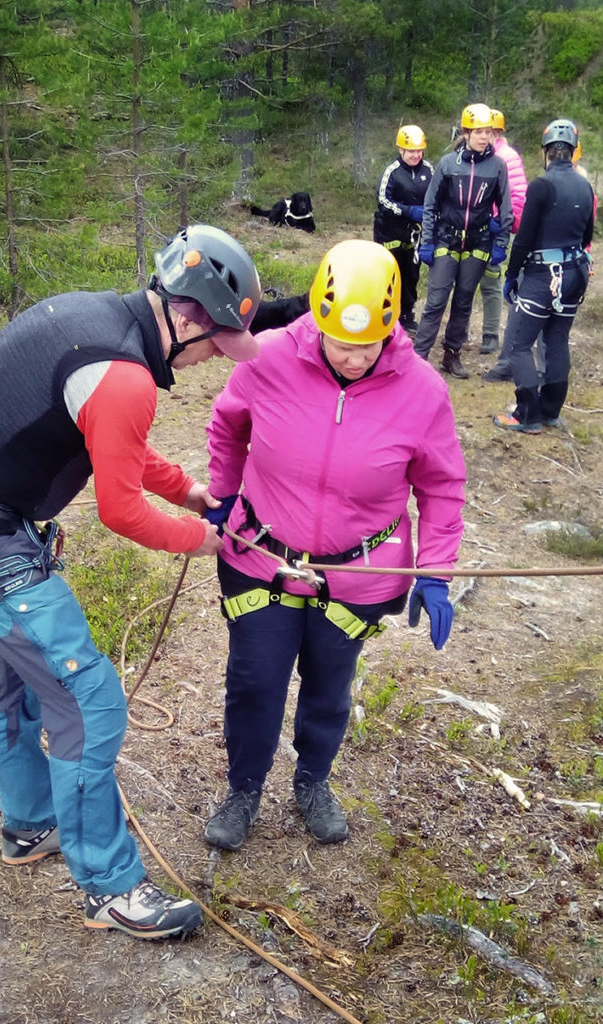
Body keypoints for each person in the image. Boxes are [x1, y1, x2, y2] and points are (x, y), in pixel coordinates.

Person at [0, 225, 264, 941]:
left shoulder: (97, 319)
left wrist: (191, 492)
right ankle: (110, 888)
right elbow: (118, 510)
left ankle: (28, 824)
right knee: (88, 697)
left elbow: (118, 448)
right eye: (213, 345)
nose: (210, 362)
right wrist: (199, 539)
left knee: (12, 682)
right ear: (187, 316)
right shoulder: (125, 376)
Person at [202, 239, 466, 852]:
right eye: (340, 342)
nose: (351, 357)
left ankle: (313, 782)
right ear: (317, 321)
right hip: (261, 557)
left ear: (390, 327)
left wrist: (435, 572)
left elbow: (442, 487)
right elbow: (227, 423)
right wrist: (221, 493)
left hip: (358, 573)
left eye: (366, 344)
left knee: (328, 685)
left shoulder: (423, 391)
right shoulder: (267, 357)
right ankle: (244, 789)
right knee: (254, 680)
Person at [494, 119, 595, 434]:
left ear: (546, 152)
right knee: (557, 340)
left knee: (521, 344)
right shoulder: (585, 186)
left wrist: (511, 277)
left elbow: (523, 239)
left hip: (543, 275)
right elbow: (588, 234)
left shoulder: (541, 186)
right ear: (573, 151)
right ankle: (551, 410)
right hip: (575, 272)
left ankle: (528, 415)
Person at [414, 102, 513, 379]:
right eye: (479, 131)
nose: (484, 136)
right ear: (466, 132)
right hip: (446, 238)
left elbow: (505, 208)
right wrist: (428, 241)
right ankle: (418, 358)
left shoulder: (498, 166)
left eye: (489, 131)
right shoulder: (447, 164)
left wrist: (501, 242)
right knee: (436, 300)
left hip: (479, 243)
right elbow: (431, 204)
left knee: (464, 300)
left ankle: (451, 355)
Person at [373, 124, 434, 335]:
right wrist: (408, 211)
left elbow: (435, 195)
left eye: (419, 151)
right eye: (411, 151)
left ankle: (407, 314)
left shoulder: (429, 170)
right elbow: (383, 200)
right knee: (390, 275)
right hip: (389, 232)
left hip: (414, 235)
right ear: (401, 150)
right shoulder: (392, 171)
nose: (416, 155)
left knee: (411, 275)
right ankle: (387, 316)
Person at [478, 108, 528, 358]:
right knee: (464, 282)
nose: (486, 135)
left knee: (490, 280)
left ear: (496, 131)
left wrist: (504, 223)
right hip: (472, 227)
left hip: (496, 226)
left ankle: (490, 334)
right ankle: (460, 330)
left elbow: (518, 195)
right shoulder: (473, 154)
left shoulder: (508, 157)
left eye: (490, 131)